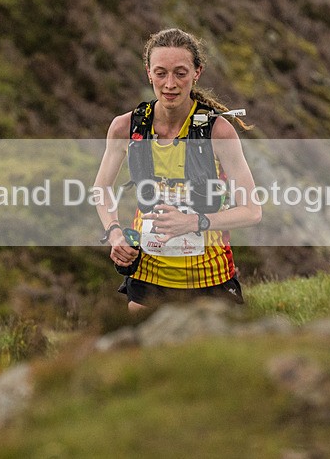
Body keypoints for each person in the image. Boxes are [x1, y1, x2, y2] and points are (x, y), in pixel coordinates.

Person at [93, 28, 262, 311]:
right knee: (143, 355)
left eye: (180, 73)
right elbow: (101, 188)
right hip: (147, 273)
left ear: (197, 72)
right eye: (161, 73)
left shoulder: (218, 132)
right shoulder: (126, 127)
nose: (170, 83)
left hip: (209, 275)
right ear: (148, 72)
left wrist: (195, 222)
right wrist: (114, 233)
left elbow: (252, 211)